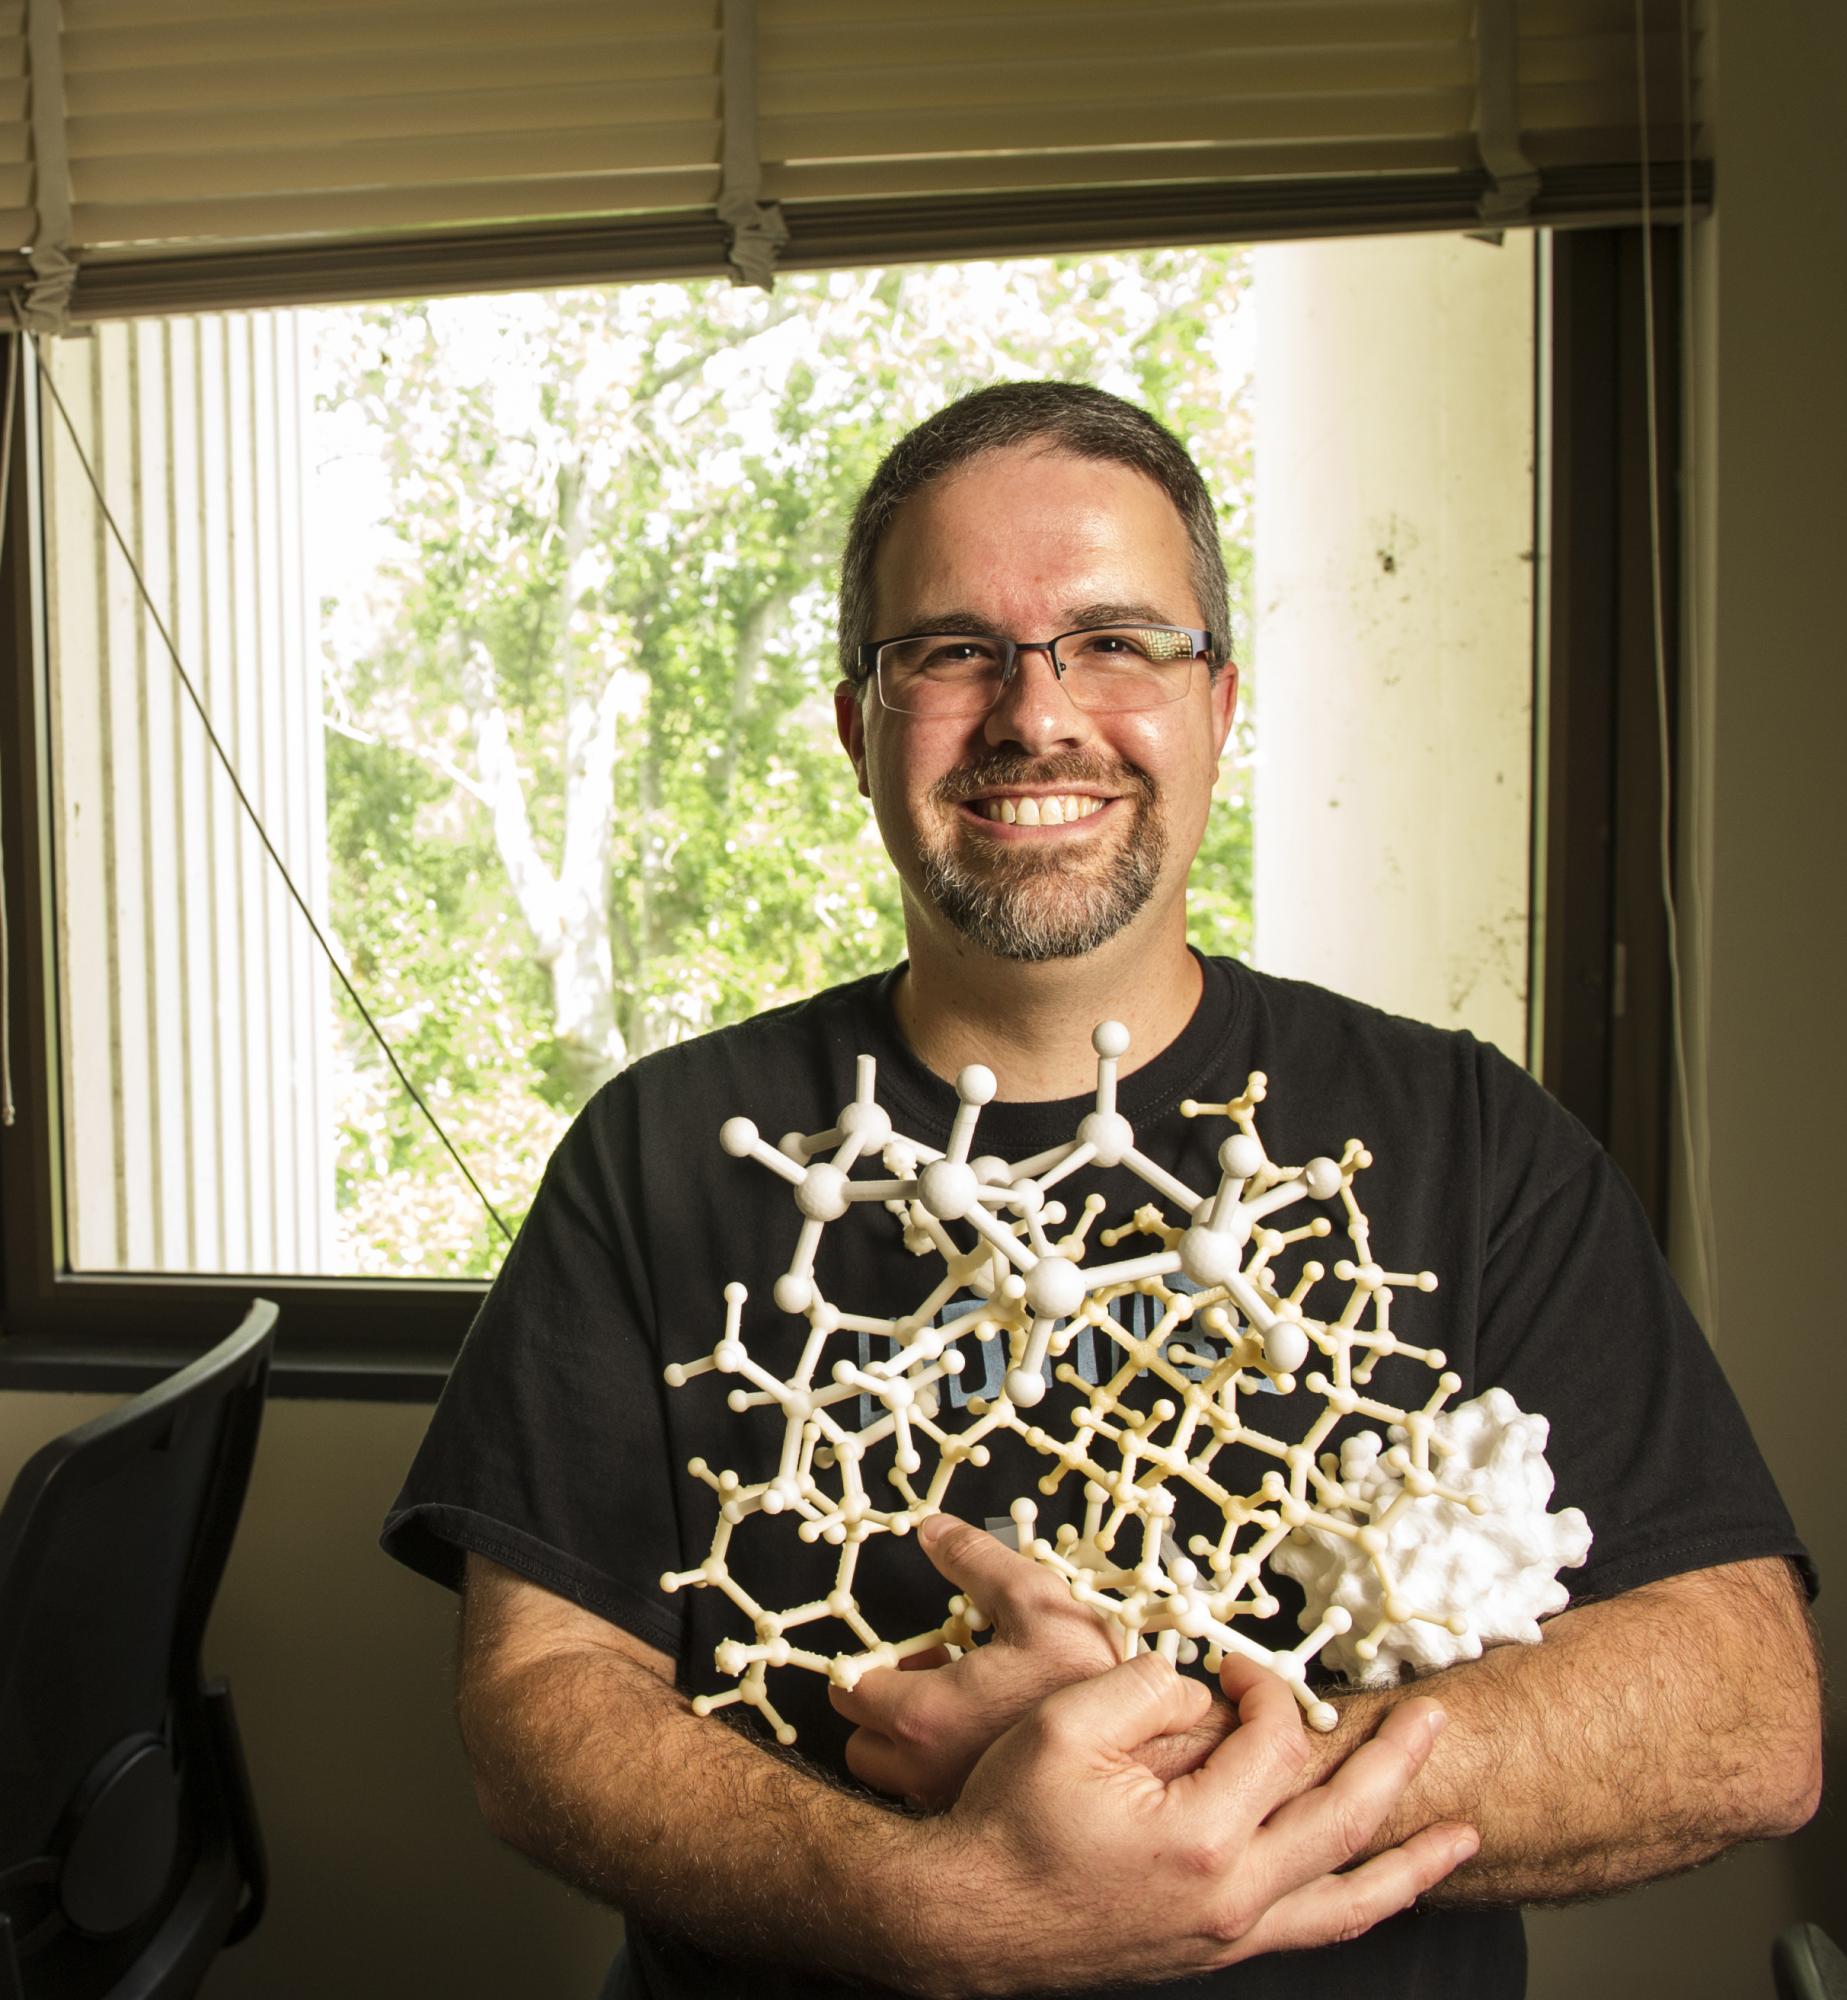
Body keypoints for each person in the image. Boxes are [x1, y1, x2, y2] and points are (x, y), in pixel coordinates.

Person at [382, 382, 1820, 2000]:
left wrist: (1196, 1768)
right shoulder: (658, 1152)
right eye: (949, 649)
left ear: (1220, 705)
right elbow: (541, 1701)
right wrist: (925, 1909)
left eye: (1118, 640)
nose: (1036, 713)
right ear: (860, 724)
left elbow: (1740, 1715)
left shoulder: (1471, 1140)